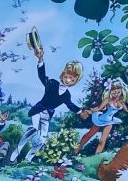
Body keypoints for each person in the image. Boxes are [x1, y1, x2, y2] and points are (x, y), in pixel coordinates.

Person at [11, 30, 82, 163]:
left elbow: (70, 105)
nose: (68, 80)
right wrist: (40, 59)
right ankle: (17, 151)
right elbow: (42, 76)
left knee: (42, 140)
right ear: (63, 74)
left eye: (71, 79)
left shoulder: (67, 94)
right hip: (39, 110)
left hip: (48, 115)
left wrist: (80, 111)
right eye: (67, 77)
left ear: (75, 81)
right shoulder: (52, 83)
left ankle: (28, 159)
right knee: (33, 129)